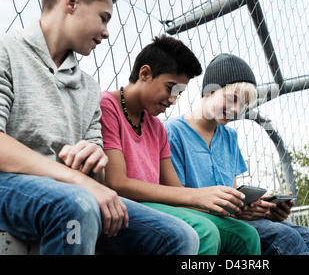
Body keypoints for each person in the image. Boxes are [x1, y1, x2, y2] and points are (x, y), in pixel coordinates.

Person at [0, 0, 199, 255]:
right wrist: (78, 180)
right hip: (11, 185)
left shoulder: (89, 87)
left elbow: (100, 179)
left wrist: (94, 164)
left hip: (69, 189)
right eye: (103, 18)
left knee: (179, 236)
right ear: (71, 2)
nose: (107, 32)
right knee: (75, 205)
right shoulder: (7, 51)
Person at [100, 36, 261, 255]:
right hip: (121, 206)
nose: (173, 100)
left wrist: (216, 200)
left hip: (157, 208)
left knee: (246, 236)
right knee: (205, 231)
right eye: (170, 88)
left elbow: (174, 190)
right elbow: (116, 182)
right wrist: (199, 196)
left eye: (179, 93)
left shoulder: (156, 127)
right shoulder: (108, 106)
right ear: (144, 74)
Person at [164, 53, 309, 255]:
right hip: (204, 221)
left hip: (232, 219)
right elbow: (176, 202)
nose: (237, 110)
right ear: (209, 90)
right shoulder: (172, 132)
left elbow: (234, 193)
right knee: (285, 239)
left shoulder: (229, 136)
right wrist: (237, 211)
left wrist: (261, 209)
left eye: (243, 105)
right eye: (232, 99)